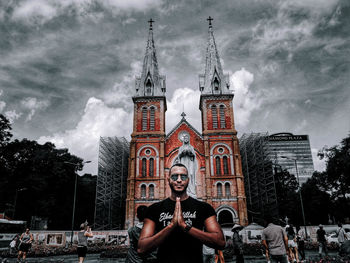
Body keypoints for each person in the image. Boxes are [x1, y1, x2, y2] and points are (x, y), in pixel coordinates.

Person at [138, 163, 226, 263]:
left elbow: (220, 242)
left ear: (188, 180)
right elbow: (142, 248)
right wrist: (171, 226)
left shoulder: (203, 207)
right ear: (168, 179)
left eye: (183, 176)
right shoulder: (155, 209)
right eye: (175, 176)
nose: (179, 180)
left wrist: (185, 226)